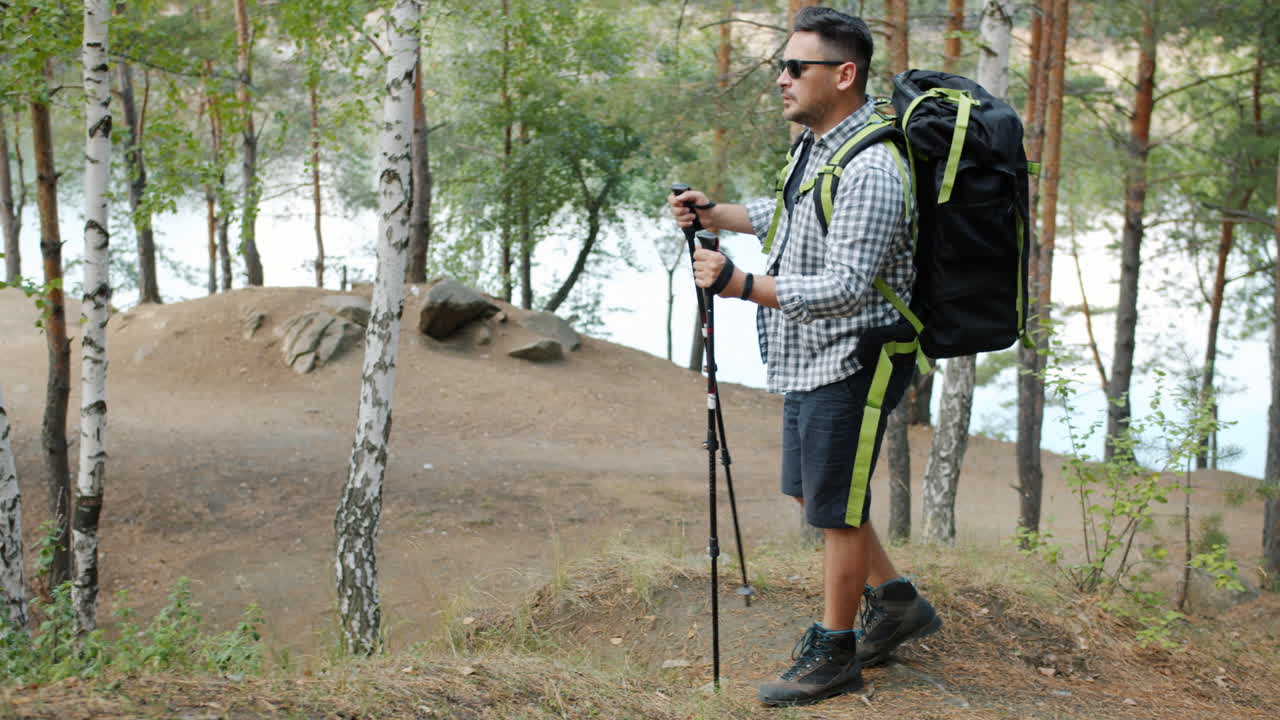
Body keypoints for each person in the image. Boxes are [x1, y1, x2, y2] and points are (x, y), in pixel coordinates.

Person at [669, 6, 940, 707]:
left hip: (856, 354)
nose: (782, 81)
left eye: (796, 68)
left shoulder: (874, 167)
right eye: (780, 67)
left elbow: (850, 287)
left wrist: (739, 284)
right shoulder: (821, 147)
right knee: (813, 492)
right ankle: (898, 601)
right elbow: (792, 207)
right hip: (813, 355)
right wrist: (716, 212)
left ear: (844, 74)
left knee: (837, 510)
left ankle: (835, 649)